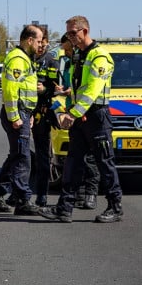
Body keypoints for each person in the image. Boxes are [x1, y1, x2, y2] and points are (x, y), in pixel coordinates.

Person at [39, 15, 124, 223]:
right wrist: (69, 100)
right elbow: (79, 88)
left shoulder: (99, 57)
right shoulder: (78, 55)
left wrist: (73, 113)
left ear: (85, 31)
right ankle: (64, 208)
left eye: (73, 33)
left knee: (105, 163)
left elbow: (92, 90)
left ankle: (115, 207)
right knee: (73, 163)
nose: (70, 37)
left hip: (96, 116)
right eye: (68, 33)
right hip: (81, 116)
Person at [0, 25, 43, 215]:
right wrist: (15, 116)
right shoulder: (18, 59)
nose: (40, 44)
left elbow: (25, 90)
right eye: (39, 40)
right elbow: (10, 90)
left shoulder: (25, 59)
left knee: (16, 156)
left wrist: (29, 113)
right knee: (22, 158)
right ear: (29, 40)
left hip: (23, 113)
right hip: (17, 113)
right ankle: (23, 200)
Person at [56, 34, 100, 209]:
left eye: (68, 48)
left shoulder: (91, 59)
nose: (66, 52)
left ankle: (90, 194)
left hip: (87, 113)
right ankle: (75, 197)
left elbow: (90, 88)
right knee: (75, 158)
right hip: (73, 111)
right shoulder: (70, 63)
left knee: (91, 158)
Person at [29, 31, 60, 207]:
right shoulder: (26, 58)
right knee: (19, 155)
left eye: (44, 43)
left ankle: (42, 196)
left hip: (42, 112)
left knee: (42, 157)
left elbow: (55, 88)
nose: (40, 46)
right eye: (38, 42)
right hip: (24, 111)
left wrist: (45, 90)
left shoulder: (51, 62)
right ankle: (9, 192)